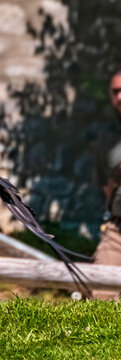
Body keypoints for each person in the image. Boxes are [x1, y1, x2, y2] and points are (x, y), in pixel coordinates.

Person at [93, 70, 121, 300]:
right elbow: (105, 183)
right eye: (115, 91)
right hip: (117, 231)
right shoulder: (107, 137)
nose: (120, 96)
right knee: (101, 299)